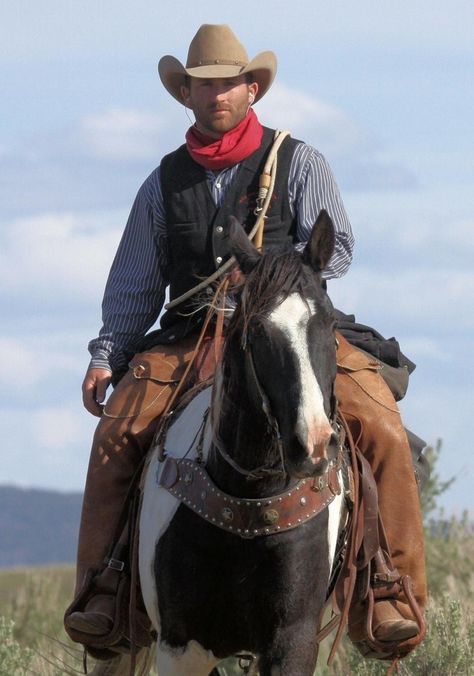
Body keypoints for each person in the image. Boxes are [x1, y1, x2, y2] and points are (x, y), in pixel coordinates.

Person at [65, 24, 426, 658]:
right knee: (116, 433)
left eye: (228, 82)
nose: (216, 94)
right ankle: (107, 590)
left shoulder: (300, 160)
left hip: (289, 322)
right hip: (189, 335)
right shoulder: (163, 183)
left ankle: (387, 590)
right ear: (187, 96)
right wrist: (107, 355)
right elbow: (134, 282)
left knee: (381, 424)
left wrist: (270, 276)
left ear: (252, 87)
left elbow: (335, 246)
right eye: (202, 85)